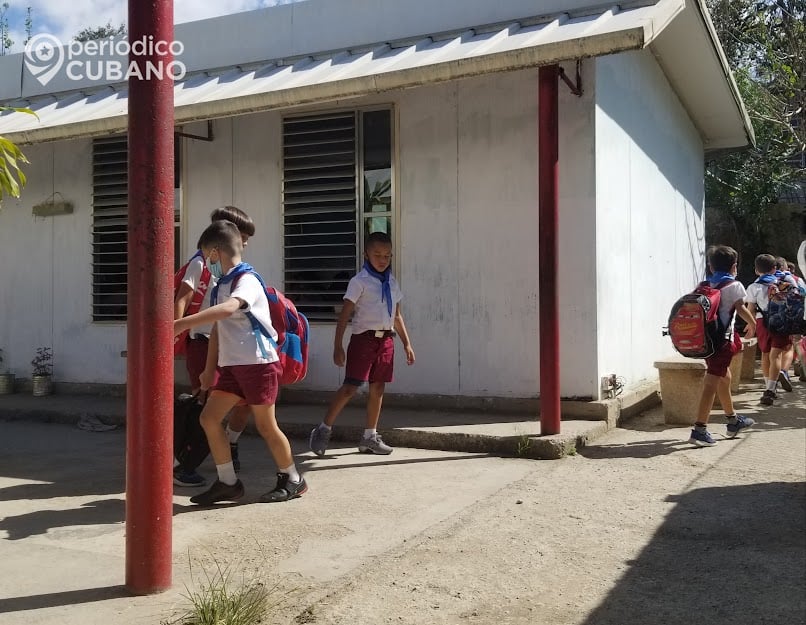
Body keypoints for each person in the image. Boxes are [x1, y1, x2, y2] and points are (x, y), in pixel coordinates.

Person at [174, 220, 306, 505]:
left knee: (266, 426)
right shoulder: (222, 284)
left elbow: (229, 310)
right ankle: (228, 482)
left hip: (260, 365)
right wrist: (209, 371)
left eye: (207, 257)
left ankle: (293, 478)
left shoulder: (247, 280)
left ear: (214, 252)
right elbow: (219, 329)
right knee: (208, 418)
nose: (206, 265)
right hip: (233, 367)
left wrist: (180, 324)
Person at [309, 231, 415, 456]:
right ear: (367, 254)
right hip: (363, 340)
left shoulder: (392, 283)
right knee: (350, 387)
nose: (382, 259)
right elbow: (345, 315)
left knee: (378, 388)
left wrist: (407, 343)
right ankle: (323, 429)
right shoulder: (359, 282)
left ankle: (370, 436)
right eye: (377, 254)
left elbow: (397, 316)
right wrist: (338, 346)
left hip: (386, 340)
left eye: (387, 255)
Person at [173, 206, 256, 486]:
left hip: (224, 345)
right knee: (205, 407)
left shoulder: (233, 272)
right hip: (202, 344)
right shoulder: (201, 263)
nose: (244, 242)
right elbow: (182, 298)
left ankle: (224, 449)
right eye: (241, 235)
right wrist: (176, 328)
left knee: (232, 404)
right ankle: (182, 463)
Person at [687, 246, 756, 447]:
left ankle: (732, 421)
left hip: (706, 341)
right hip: (721, 342)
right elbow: (740, 309)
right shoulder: (735, 285)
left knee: (724, 377)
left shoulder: (704, 284)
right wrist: (753, 324)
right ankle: (700, 429)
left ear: (710, 266)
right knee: (711, 382)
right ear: (734, 266)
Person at [745, 253, 794, 405]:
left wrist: (750, 324)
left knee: (766, 355)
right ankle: (771, 390)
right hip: (781, 321)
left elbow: (750, 308)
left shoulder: (754, 286)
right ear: (774, 268)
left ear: (756, 270)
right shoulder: (784, 282)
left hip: (762, 322)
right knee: (776, 355)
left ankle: (768, 387)